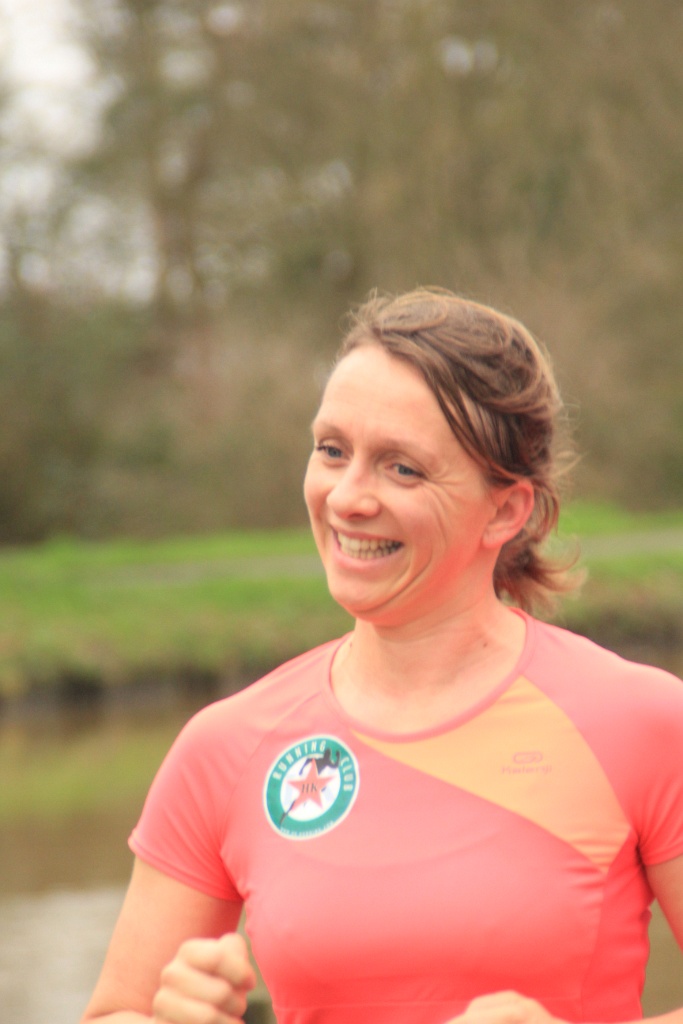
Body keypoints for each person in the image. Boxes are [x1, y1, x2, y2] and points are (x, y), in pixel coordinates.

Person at [81, 288, 683, 1024]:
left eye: (402, 468)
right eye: (332, 451)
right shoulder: (225, 746)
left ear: (504, 510)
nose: (346, 498)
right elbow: (115, 1013)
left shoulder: (643, 722)